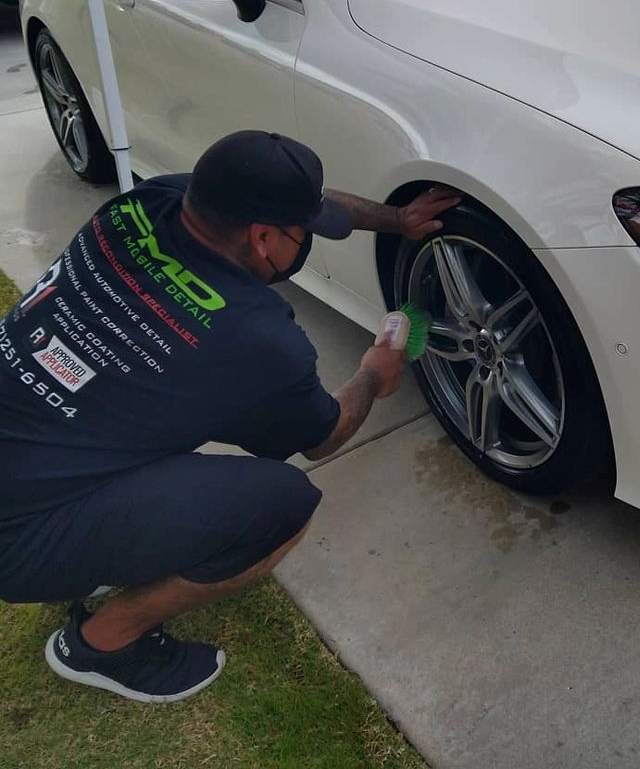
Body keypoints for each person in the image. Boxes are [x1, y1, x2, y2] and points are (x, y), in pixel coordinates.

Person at [0, 130, 460, 703]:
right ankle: (101, 644)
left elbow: (305, 204)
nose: (309, 238)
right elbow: (324, 436)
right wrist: (373, 373)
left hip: (28, 448)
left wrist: (399, 220)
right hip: (16, 540)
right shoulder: (254, 338)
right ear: (263, 238)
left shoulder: (144, 204)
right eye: (304, 233)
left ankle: (93, 550)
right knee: (280, 505)